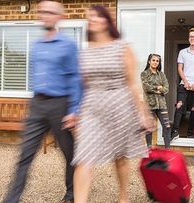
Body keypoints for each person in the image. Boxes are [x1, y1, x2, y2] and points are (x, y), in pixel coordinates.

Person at [72, 5, 153, 203]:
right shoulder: (84, 51)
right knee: (84, 157)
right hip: (92, 108)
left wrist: (143, 112)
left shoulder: (122, 47)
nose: (93, 19)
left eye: (98, 16)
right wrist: (75, 111)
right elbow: (80, 85)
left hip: (121, 105)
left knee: (120, 156)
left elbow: (133, 83)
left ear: (107, 21)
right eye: (90, 17)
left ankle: (123, 197)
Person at [3, 1, 82, 203]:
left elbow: (75, 79)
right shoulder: (36, 45)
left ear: (59, 17)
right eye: (42, 12)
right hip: (38, 104)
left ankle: (71, 193)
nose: (44, 15)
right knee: (25, 154)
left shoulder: (68, 45)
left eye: (49, 12)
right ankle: (11, 199)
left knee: (70, 154)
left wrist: (73, 111)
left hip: (60, 105)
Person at [171, 27, 194, 139]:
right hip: (184, 84)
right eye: (190, 36)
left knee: (193, 109)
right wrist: (186, 82)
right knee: (179, 106)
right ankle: (175, 131)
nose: (192, 38)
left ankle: (190, 132)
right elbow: (180, 68)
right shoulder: (183, 52)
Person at [141, 54, 171, 148]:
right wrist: (158, 87)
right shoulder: (144, 74)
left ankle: (167, 150)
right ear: (149, 61)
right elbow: (146, 88)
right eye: (153, 60)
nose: (155, 62)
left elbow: (166, 89)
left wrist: (159, 89)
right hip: (149, 105)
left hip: (162, 105)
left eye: (157, 61)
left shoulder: (162, 75)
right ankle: (149, 149)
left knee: (167, 126)